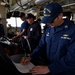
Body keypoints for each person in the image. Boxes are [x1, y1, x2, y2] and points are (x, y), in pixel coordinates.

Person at [20, 2, 75, 75]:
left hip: (65, 71)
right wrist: (31, 56)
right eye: (47, 21)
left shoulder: (72, 30)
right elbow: (41, 46)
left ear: (60, 16)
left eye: (51, 20)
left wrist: (50, 68)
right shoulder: (49, 29)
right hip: (49, 68)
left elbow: (72, 58)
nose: (49, 23)